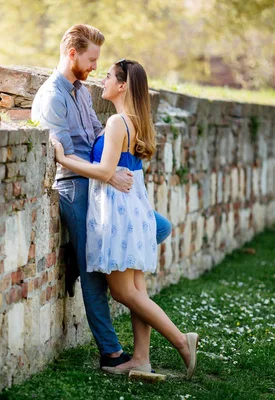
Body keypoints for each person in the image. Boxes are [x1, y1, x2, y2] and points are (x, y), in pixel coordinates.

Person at [31, 24, 173, 374]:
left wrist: (115, 164)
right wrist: (109, 173)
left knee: (158, 227)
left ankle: (84, 255)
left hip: (101, 184)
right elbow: (59, 150)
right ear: (72, 54)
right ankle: (111, 353)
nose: (95, 66)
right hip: (76, 187)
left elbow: (97, 132)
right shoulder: (53, 96)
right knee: (95, 275)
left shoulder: (80, 91)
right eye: (91, 59)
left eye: (98, 61)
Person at [51, 58, 199, 379]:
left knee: (123, 292)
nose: (102, 80)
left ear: (122, 85)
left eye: (107, 76)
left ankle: (181, 340)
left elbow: (105, 172)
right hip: (134, 209)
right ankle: (141, 360)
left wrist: (64, 159)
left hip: (119, 213)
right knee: (137, 292)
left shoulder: (119, 122)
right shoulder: (135, 121)